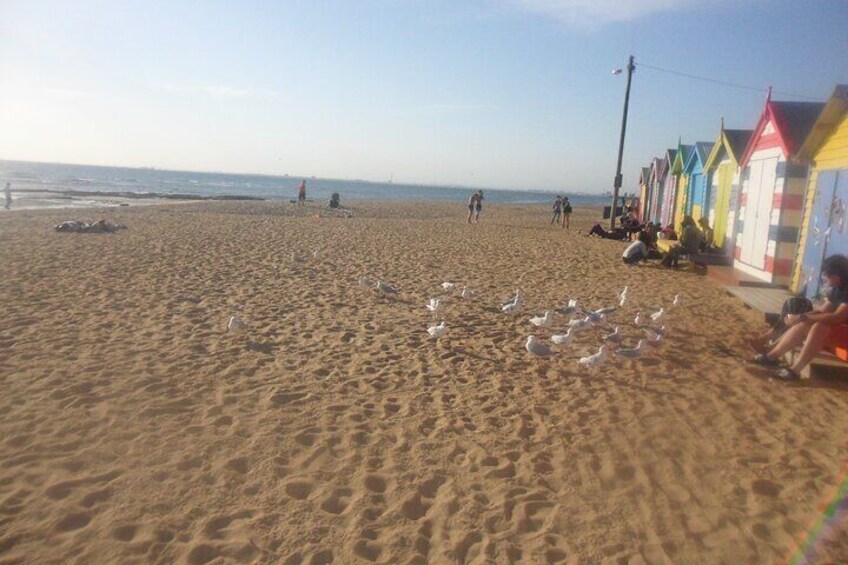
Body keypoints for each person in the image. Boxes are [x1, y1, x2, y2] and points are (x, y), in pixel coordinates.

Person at [754, 255, 848, 380]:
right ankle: (771, 356)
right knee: (804, 323)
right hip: (841, 330)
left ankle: (795, 370)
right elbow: (822, 310)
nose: (824, 279)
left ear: (836, 276)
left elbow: (838, 317)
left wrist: (804, 317)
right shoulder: (838, 288)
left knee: (819, 327)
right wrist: (800, 317)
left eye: (826, 275)